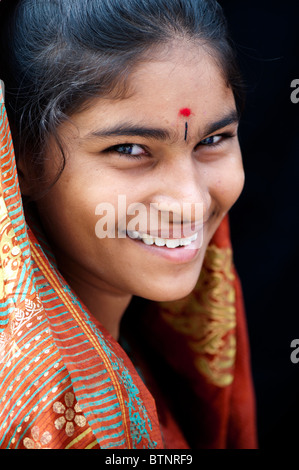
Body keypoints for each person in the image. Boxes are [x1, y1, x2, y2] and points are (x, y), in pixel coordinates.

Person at [0, 0, 257, 449]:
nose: (191, 202)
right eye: (131, 150)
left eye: (213, 140)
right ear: (22, 157)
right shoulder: (37, 416)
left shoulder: (143, 353)